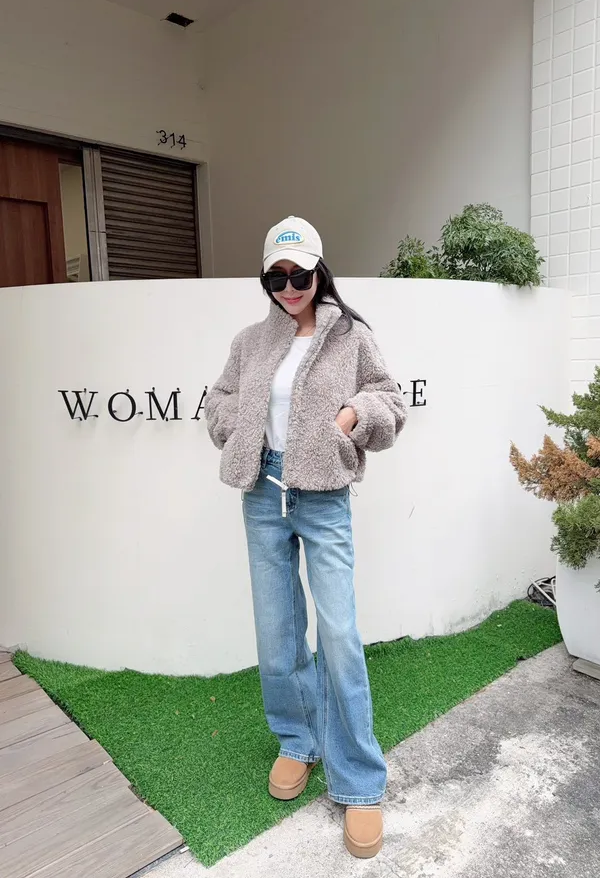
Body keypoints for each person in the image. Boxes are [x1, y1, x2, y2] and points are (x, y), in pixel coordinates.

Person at [205, 216, 406, 859]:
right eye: (277, 277)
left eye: (301, 275)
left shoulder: (351, 336)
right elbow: (218, 400)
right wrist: (239, 426)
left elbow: (390, 400)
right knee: (277, 629)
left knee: (339, 634)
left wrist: (351, 417)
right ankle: (298, 740)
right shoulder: (249, 341)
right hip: (263, 494)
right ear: (265, 279)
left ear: (320, 271)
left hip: (323, 497)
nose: (289, 288)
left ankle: (360, 780)